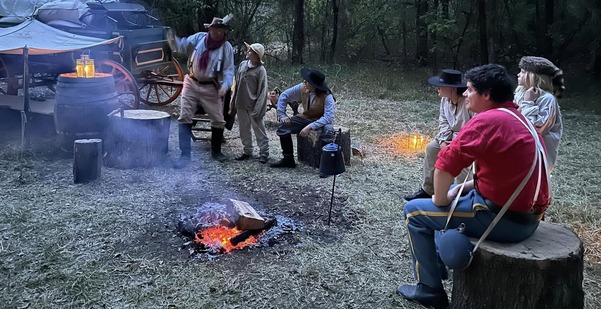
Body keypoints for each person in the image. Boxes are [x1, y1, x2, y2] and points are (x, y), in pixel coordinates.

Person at [397, 64, 550, 309]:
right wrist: (465, 187)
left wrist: (440, 200)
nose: (465, 94)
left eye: (469, 89)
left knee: (414, 212)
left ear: (487, 94)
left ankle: (429, 289)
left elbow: (444, 165)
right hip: (528, 219)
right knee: (445, 208)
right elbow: (508, 176)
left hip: (503, 220)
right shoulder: (519, 119)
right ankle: (437, 263)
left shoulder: (488, 120)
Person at [169, 14, 235, 167]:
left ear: (225, 32)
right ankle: (185, 155)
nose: (219, 33)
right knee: (184, 116)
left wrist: (225, 87)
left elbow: (229, 71)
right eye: (216, 29)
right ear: (210, 29)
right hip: (191, 82)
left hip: (211, 86)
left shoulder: (227, 48)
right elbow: (183, 45)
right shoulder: (199, 38)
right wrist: (174, 40)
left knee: (218, 120)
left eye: (222, 30)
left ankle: (216, 151)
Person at [404, 69, 473, 201]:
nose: (438, 88)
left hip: (463, 140)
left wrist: (454, 143)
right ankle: (428, 190)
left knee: (460, 160)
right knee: (431, 148)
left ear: (452, 88)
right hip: (447, 138)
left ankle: (459, 193)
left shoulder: (467, 102)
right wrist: (443, 141)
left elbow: (472, 127)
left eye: (441, 86)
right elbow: (443, 121)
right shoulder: (445, 101)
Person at [270, 68, 335, 168]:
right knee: (283, 128)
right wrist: (282, 114)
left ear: (314, 85)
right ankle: (288, 159)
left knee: (328, 132)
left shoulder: (327, 96)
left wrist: (310, 127)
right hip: (306, 117)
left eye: (307, 81)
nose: (304, 82)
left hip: (322, 121)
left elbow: (328, 117)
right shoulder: (302, 87)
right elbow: (284, 96)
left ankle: (326, 165)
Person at [515, 56, 564, 172]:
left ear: (534, 77)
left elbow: (535, 130)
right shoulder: (520, 92)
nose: (518, 75)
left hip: (538, 156)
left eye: (522, 72)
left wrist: (528, 102)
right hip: (521, 151)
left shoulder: (548, 99)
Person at [231, 42, 269, 164]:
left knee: (259, 129)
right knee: (244, 129)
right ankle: (247, 151)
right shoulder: (243, 65)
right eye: (249, 50)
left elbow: (263, 90)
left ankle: (264, 153)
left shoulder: (260, 70)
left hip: (253, 105)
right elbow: (236, 84)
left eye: (251, 51)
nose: (248, 52)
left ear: (257, 55)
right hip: (241, 103)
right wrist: (233, 101)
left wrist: (258, 107)